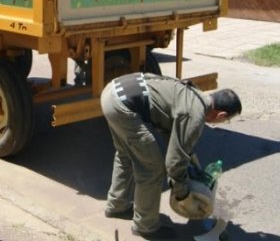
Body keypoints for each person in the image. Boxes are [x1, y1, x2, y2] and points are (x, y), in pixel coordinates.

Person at [101, 72, 242, 239]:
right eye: (225, 120)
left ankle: (117, 205)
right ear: (221, 115)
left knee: (125, 155)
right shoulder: (194, 116)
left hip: (112, 91)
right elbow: (174, 163)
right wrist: (183, 194)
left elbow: (172, 136)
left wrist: (189, 159)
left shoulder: (194, 94)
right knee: (152, 169)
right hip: (122, 107)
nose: (222, 122)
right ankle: (145, 226)